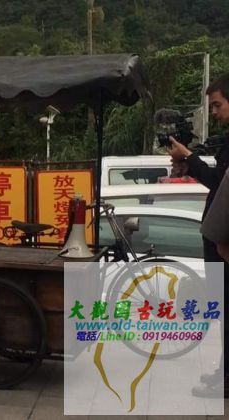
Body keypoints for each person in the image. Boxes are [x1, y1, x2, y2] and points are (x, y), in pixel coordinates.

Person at [168, 73, 229, 398]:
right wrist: (189, 162)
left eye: (218, 105)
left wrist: (189, 158)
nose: (214, 112)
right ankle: (224, 372)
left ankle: (227, 381)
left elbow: (219, 183)